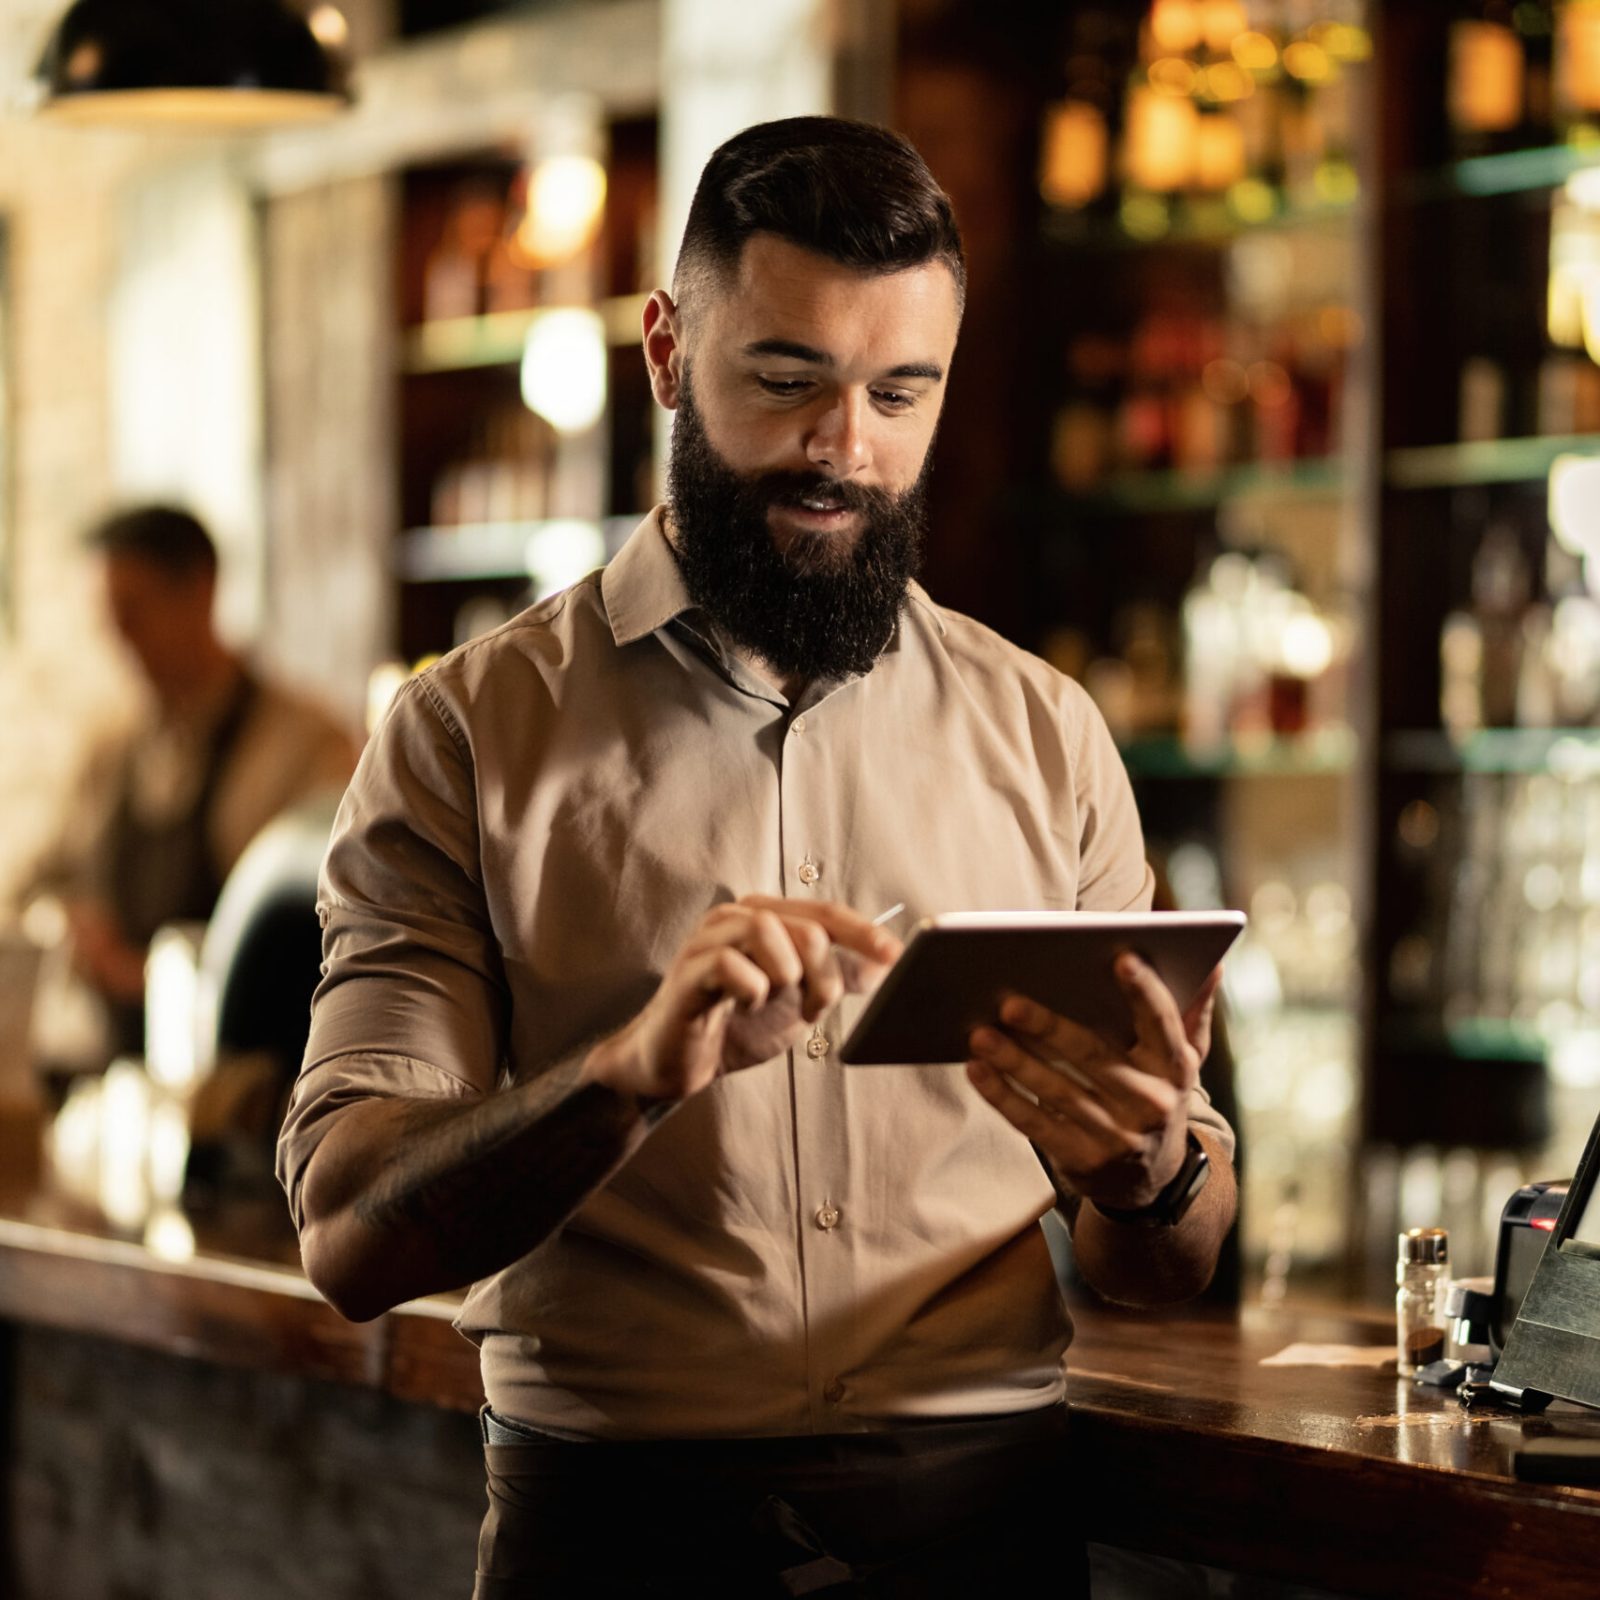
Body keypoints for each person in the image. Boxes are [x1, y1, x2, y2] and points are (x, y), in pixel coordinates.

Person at [277, 116, 1237, 1598]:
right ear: (667, 351)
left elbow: (1163, 1273)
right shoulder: (463, 734)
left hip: (986, 1528)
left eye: (898, 394)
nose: (844, 451)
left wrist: (1152, 1166)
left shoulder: (1049, 736)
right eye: (787, 381)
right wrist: (626, 1078)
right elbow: (346, 1235)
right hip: (612, 1532)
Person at [26, 504, 359, 1069]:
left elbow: (332, 930)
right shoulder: (109, 746)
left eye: (133, 612)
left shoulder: (306, 744)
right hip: (120, 1075)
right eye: (108, 616)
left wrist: (159, 978)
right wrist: (68, 927)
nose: (119, 637)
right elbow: (34, 884)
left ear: (200, 592)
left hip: (251, 1081)